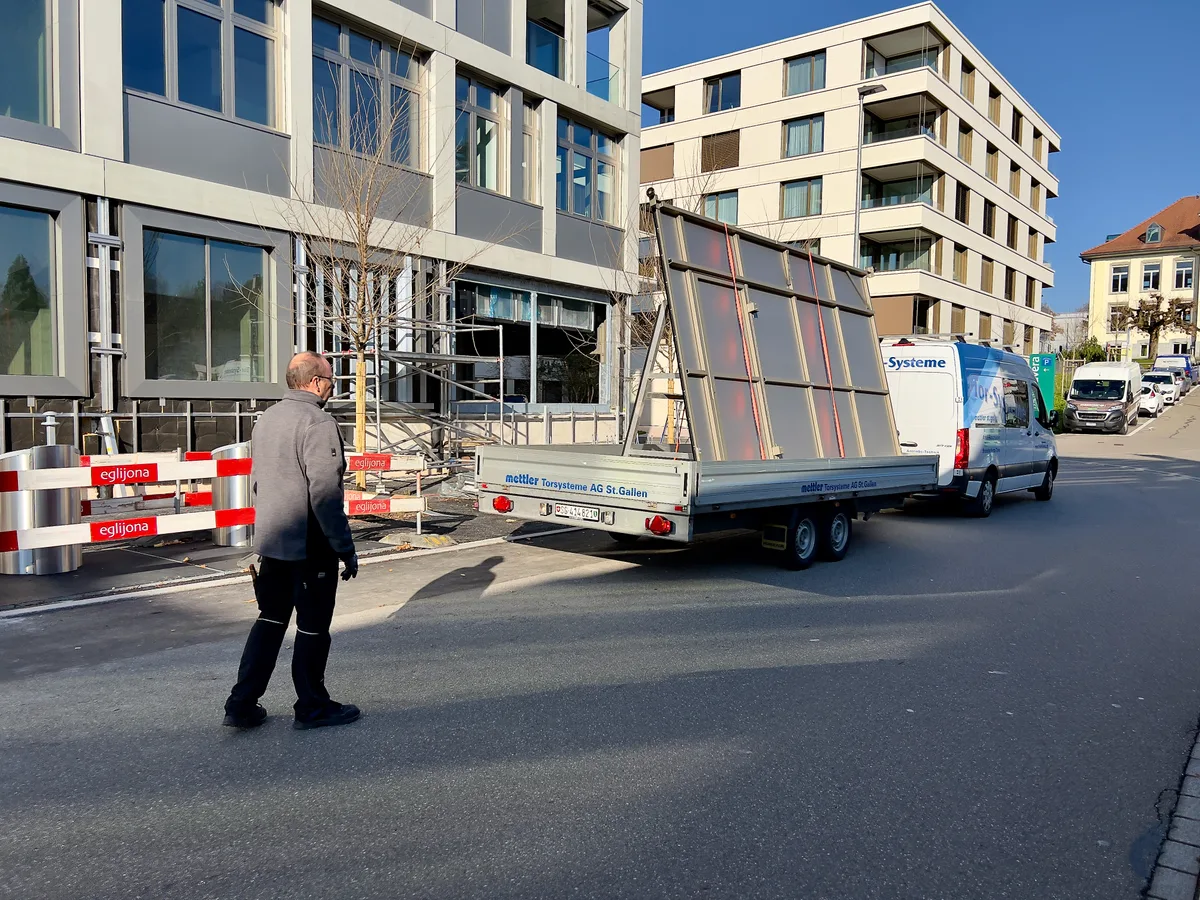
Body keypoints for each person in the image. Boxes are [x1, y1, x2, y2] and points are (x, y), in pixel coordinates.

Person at [223, 351, 361, 731]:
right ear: (315, 381)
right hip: (308, 542)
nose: (333, 387)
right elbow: (325, 494)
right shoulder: (318, 423)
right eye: (331, 380)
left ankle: (241, 704)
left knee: (269, 620)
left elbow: (260, 479)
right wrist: (344, 547)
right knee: (313, 626)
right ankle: (313, 705)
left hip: (271, 540)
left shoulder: (266, 419)